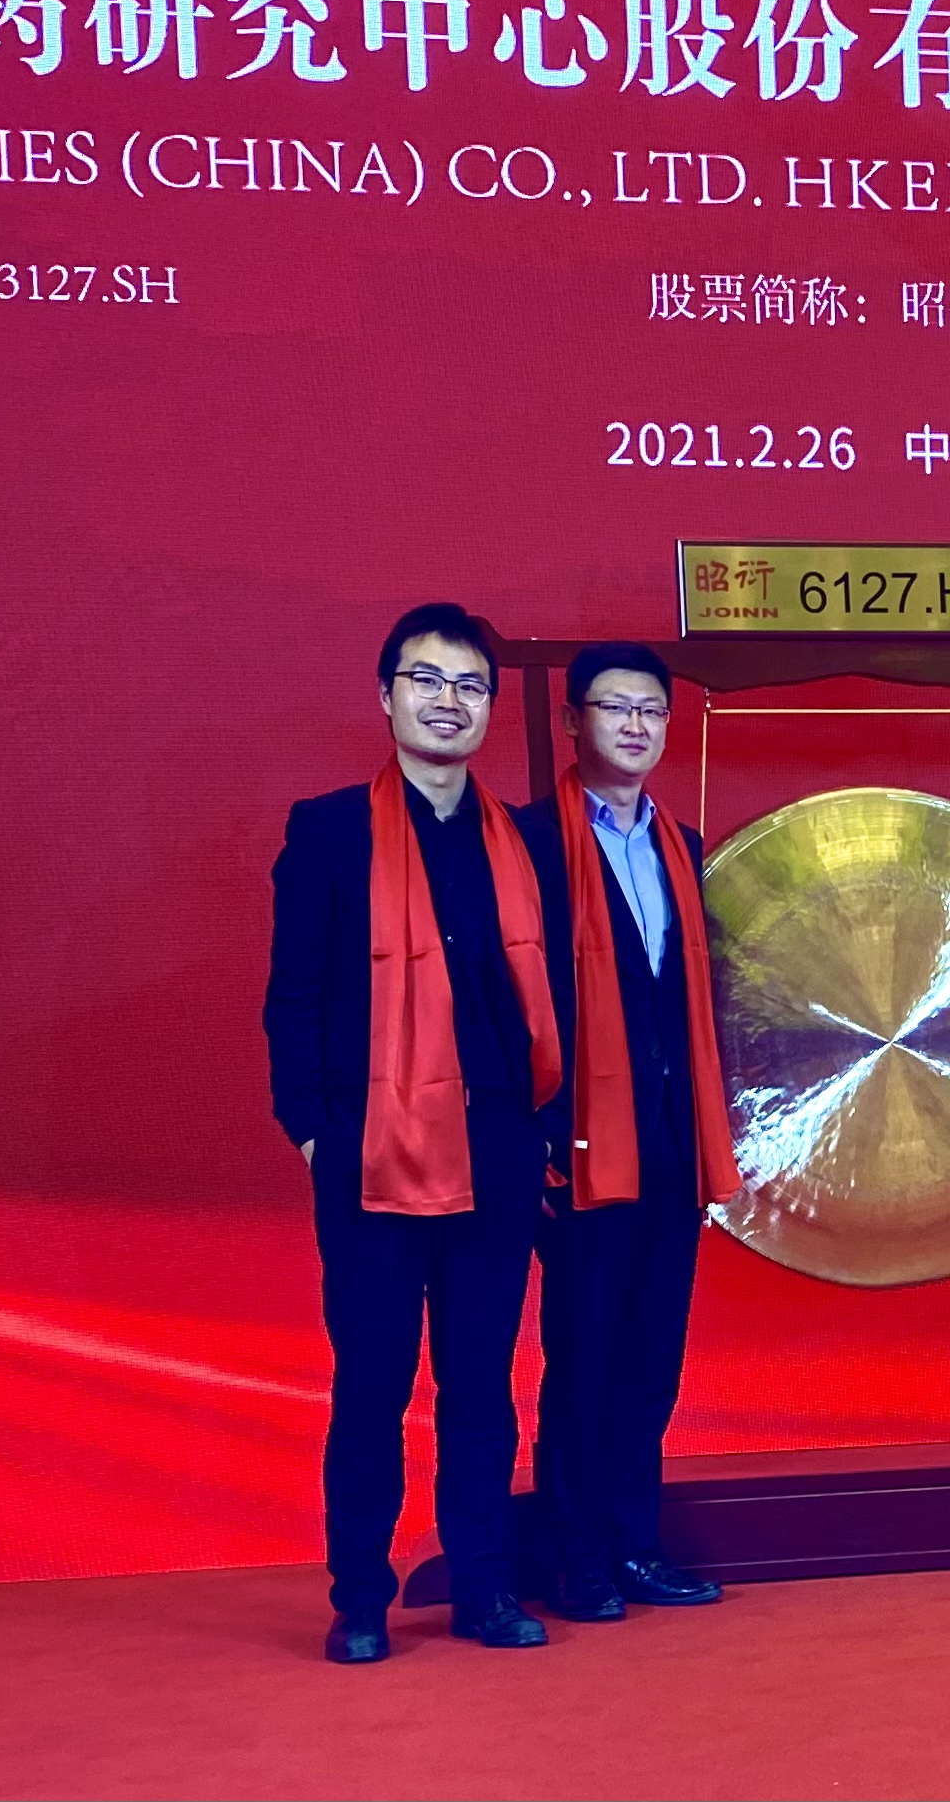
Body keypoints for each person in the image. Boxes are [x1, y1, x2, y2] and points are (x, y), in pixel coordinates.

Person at [263, 603, 562, 1663]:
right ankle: (359, 1597)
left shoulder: (521, 841)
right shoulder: (330, 832)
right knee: (373, 1389)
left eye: (470, 685)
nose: (449, 701)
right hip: (372, 1161)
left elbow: (550, 1001)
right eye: (426, 680)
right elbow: (293, 997)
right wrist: (314, 1132)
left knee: (482, 1387)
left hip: (496, 1154)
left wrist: (541, 1131)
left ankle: (484, 1587)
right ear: (385, 695)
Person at [520, 643, 742, 1623]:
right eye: (616, 707)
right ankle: (577, 1556)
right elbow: (507, 998)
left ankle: (635, 1544)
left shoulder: (681, 847)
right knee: (583, 1355)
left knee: (651, 1355)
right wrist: (534, 1134)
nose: (637, 725)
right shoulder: (529, 841)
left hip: (670, 1141)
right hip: (578, 1144)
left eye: (652, 709)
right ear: (574, 721)